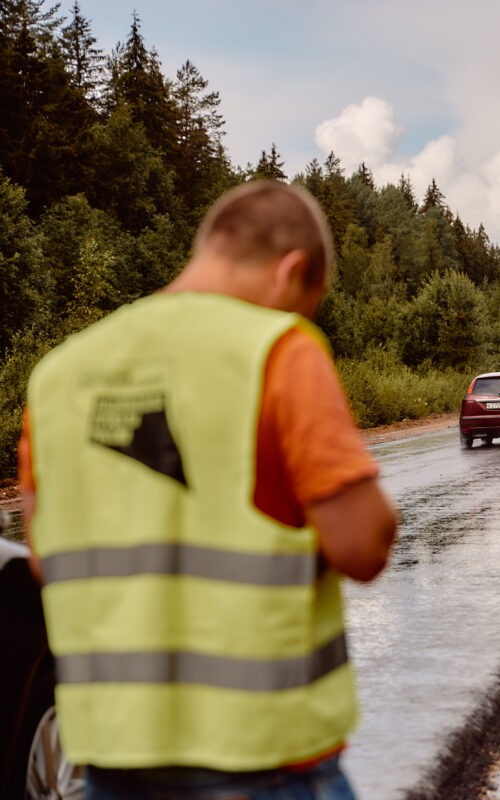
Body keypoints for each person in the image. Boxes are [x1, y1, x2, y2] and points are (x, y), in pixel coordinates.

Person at [18, 180, 398, 799]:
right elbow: (361, 544)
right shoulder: (277, 351)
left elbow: (45, 557)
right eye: (307, 302)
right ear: (293, 269)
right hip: (267, 763)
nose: (301, 319)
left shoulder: (56, 377)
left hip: (110, 765)